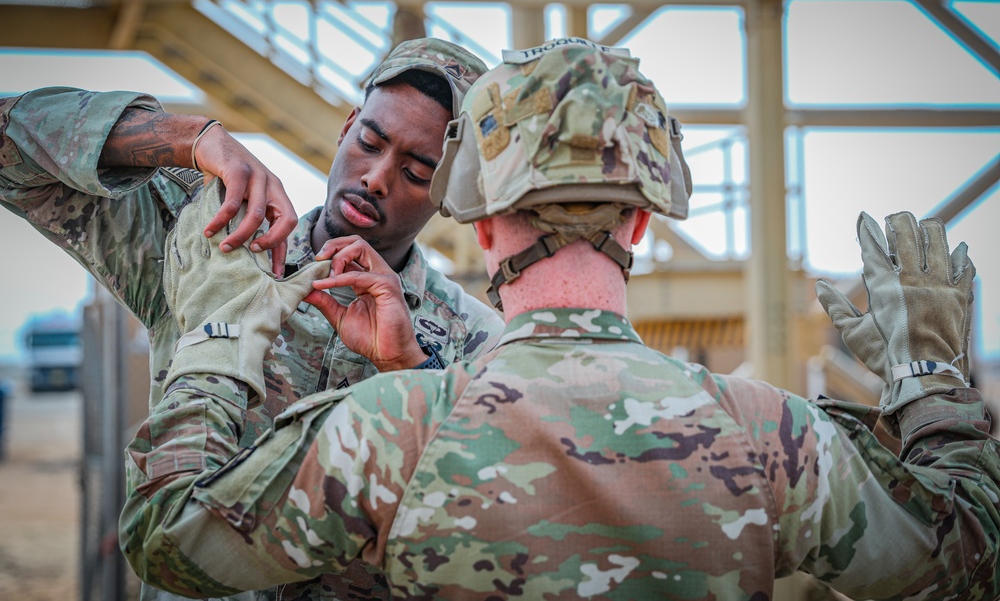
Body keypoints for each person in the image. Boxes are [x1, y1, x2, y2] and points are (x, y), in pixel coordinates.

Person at [121, 42, 999, 600]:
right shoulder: (770, 436)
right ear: (645, 222)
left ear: (485, 221)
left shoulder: (395, 429)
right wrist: (931, 381)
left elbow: (169, 539)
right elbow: (964, 553)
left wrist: (219, 333)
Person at [0, 37, 505, 600]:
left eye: (416, 172)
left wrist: (410, 370)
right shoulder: (215, 242)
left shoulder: (478, 342)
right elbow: (9, 141)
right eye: (369, 142)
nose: (377, 178)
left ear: (447, 193)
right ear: (345, 129)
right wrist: (189, 138)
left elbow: (488, 532)